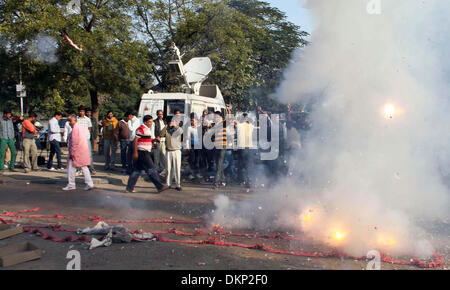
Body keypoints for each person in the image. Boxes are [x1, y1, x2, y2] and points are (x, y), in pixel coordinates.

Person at [126, 115, 169, 193]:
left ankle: (129, 188)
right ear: (145, 122)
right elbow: (136, 140)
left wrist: (153, 140)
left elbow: (146, 139)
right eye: (149, 122)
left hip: (145, 151)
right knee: (152, 170)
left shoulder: (147, 129)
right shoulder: (141, 129)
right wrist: (135, 152)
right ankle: (159, 186)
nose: (151, 123)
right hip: (142, 152)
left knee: (136, 171)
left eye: (151, 121)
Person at [63, 115, 94, 191]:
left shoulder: (75, 129)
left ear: (75, 121)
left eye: (71, 121)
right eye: (69, 121)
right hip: (82, 150)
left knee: (71, 167)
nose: (69, 123)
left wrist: (72, 153)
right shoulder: (80, 128)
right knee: (84, 167)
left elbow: (74, 142)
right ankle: (89, 183)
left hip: (77, 151)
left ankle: (71, 184)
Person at [160, 116, 183, 191]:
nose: (170, 123)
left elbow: (181, 131)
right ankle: (168, 183)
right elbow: (161, 134)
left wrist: (174, 124)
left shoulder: (178, 129)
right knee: (168, 168)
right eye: (169, 122)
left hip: (177, 151)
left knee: (177, 168)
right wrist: (165, 126)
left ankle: (178, 184)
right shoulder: (166, 130)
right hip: (168, 151)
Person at [236, 113, 255, 188]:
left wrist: (229, 110)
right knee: (247, 165)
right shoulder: (250, 126)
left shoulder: (239, 125)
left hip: (242, 147)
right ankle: (247, 181)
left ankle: (241, 181)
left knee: (241, 165)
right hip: (247, 148)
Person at [0, 109, 20, 174]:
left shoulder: (10, 120)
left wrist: (12, 136)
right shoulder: (1, 120)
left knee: (14, 152)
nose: (9, 115)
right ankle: (1, 168)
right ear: (5, 114)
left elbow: (17, 120)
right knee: (2, 154)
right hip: (3, 138)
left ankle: (12, 167)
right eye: (8, 114)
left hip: (10, 138)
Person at [77, 106, 96, 175]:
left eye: (82, 111)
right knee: (79, 155)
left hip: (86, 138)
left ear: (84, 112)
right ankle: (78, 169)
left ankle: (91, 169)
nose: (81, 112)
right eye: (80, 111)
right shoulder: (76, 119)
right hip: (79, 139)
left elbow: (90, 128)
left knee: (89, 155)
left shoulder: (87, 119)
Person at [185, 114, 202, 180]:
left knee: (197, 160)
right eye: (191, 120)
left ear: (196, 120)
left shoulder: (200, 127)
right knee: (192, 160)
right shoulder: (189, 128)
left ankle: (197, 173)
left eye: (193, 120)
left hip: (198, 146)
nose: (192, 122)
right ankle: (191, 173)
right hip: (192, 145)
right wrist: (187, 146)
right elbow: (187, 137)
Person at [153, 110, 167, 174]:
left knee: (163, 155)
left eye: (161, 114)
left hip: (163, 140)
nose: (160, 115)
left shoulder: (164, 121)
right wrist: (155, 139)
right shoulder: (154, 122)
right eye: (159, 114)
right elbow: (153, 131)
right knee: (156, 156)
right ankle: (156, 169)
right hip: (157, 140)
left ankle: (162, 169)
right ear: (157, 114)